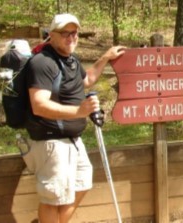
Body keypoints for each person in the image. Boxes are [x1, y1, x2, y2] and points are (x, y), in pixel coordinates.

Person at [24, 13, 125, 223]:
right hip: (51, 142)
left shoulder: (70, 60)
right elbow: (39, 105)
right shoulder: (43, 63)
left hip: (71, 141)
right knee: (54, 199)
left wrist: (106, 57)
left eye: (74, 33)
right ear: (51, 35)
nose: (71, 37)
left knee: (82, 183)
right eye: (65, 33)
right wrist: (79, 112)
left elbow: (87, 80)